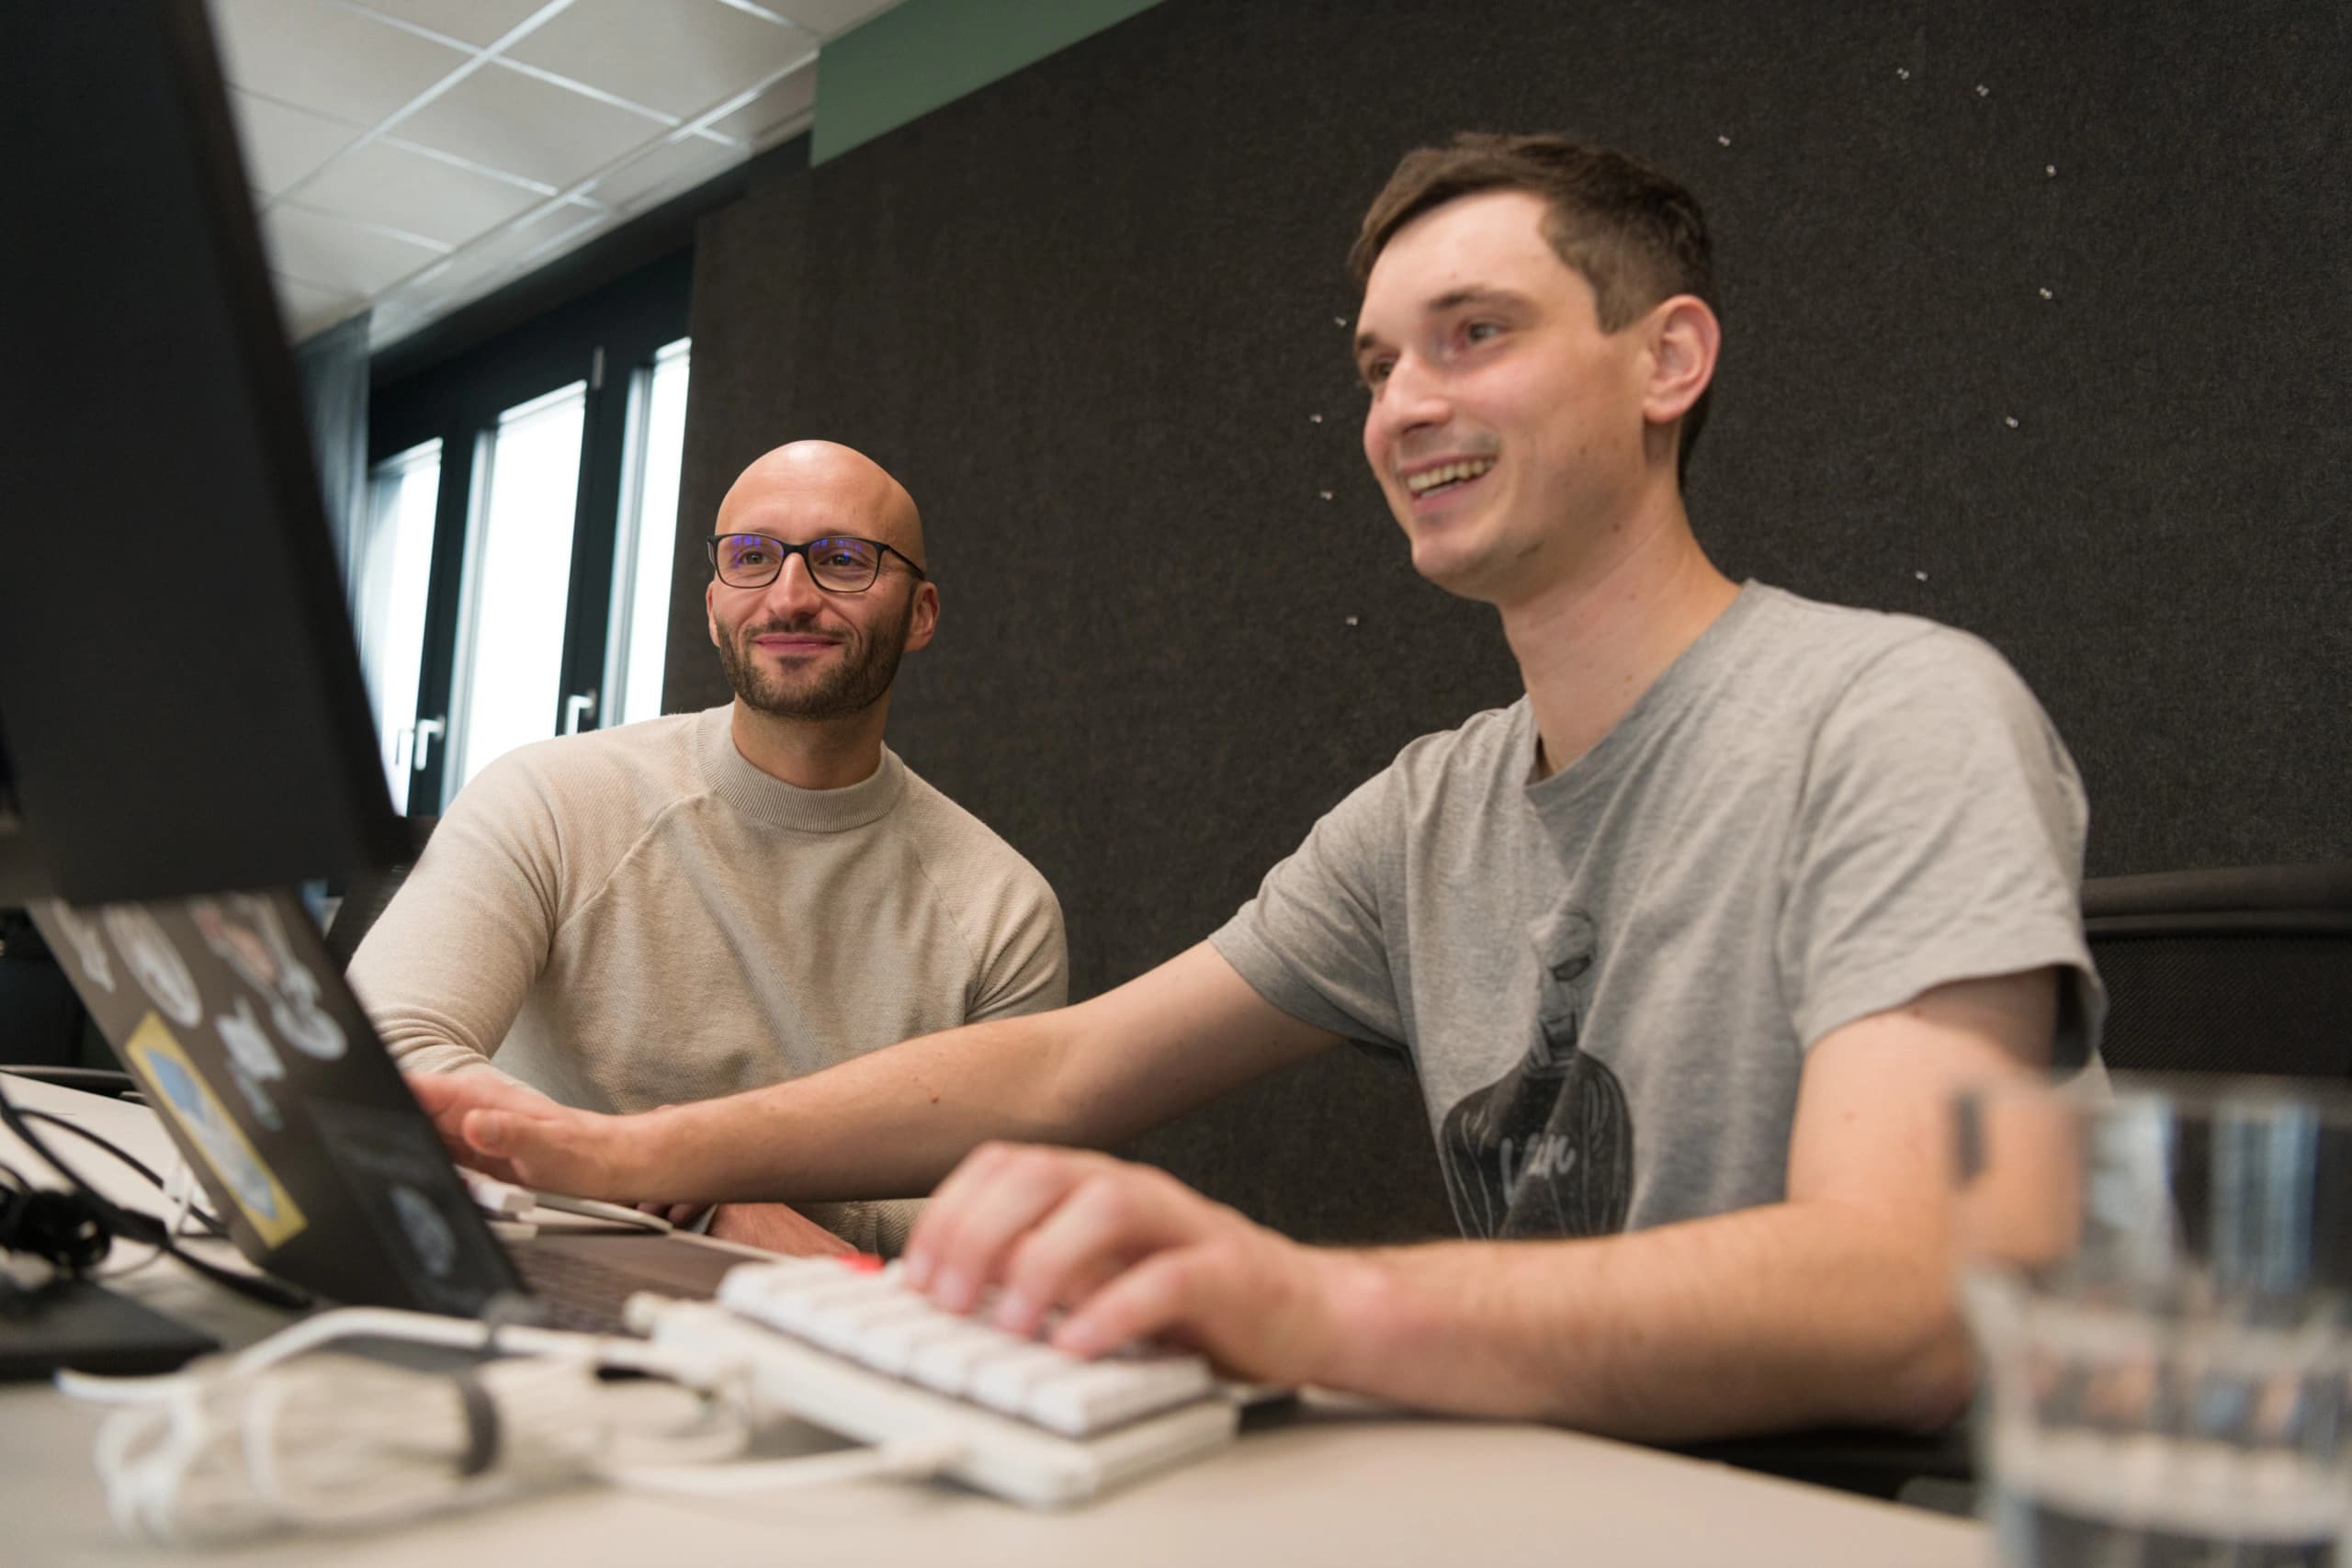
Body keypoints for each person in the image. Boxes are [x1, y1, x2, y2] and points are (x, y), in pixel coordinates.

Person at [410, 135, 2101, 1441]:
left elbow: (1912, 1293)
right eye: (1376, 363)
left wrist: (1296, 1299)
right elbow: (1071, 1065)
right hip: (1552, 1477)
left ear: (1667, 361)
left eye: (1474, 335)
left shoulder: (1896, 714)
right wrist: (625, 1150)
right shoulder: (1429, 814)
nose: (1404, 405)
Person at [353, 441, 1067, 1257]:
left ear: (922, 613)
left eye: (843, 560)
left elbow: (1001, 1224)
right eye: (752, 557)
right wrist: (687, 1197)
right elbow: (384, 1053)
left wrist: (726, 1188)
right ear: (713, 602)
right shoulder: (549, 797)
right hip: (546, 1276)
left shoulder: (1003, 908)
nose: (790, 597)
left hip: (835, 1331)